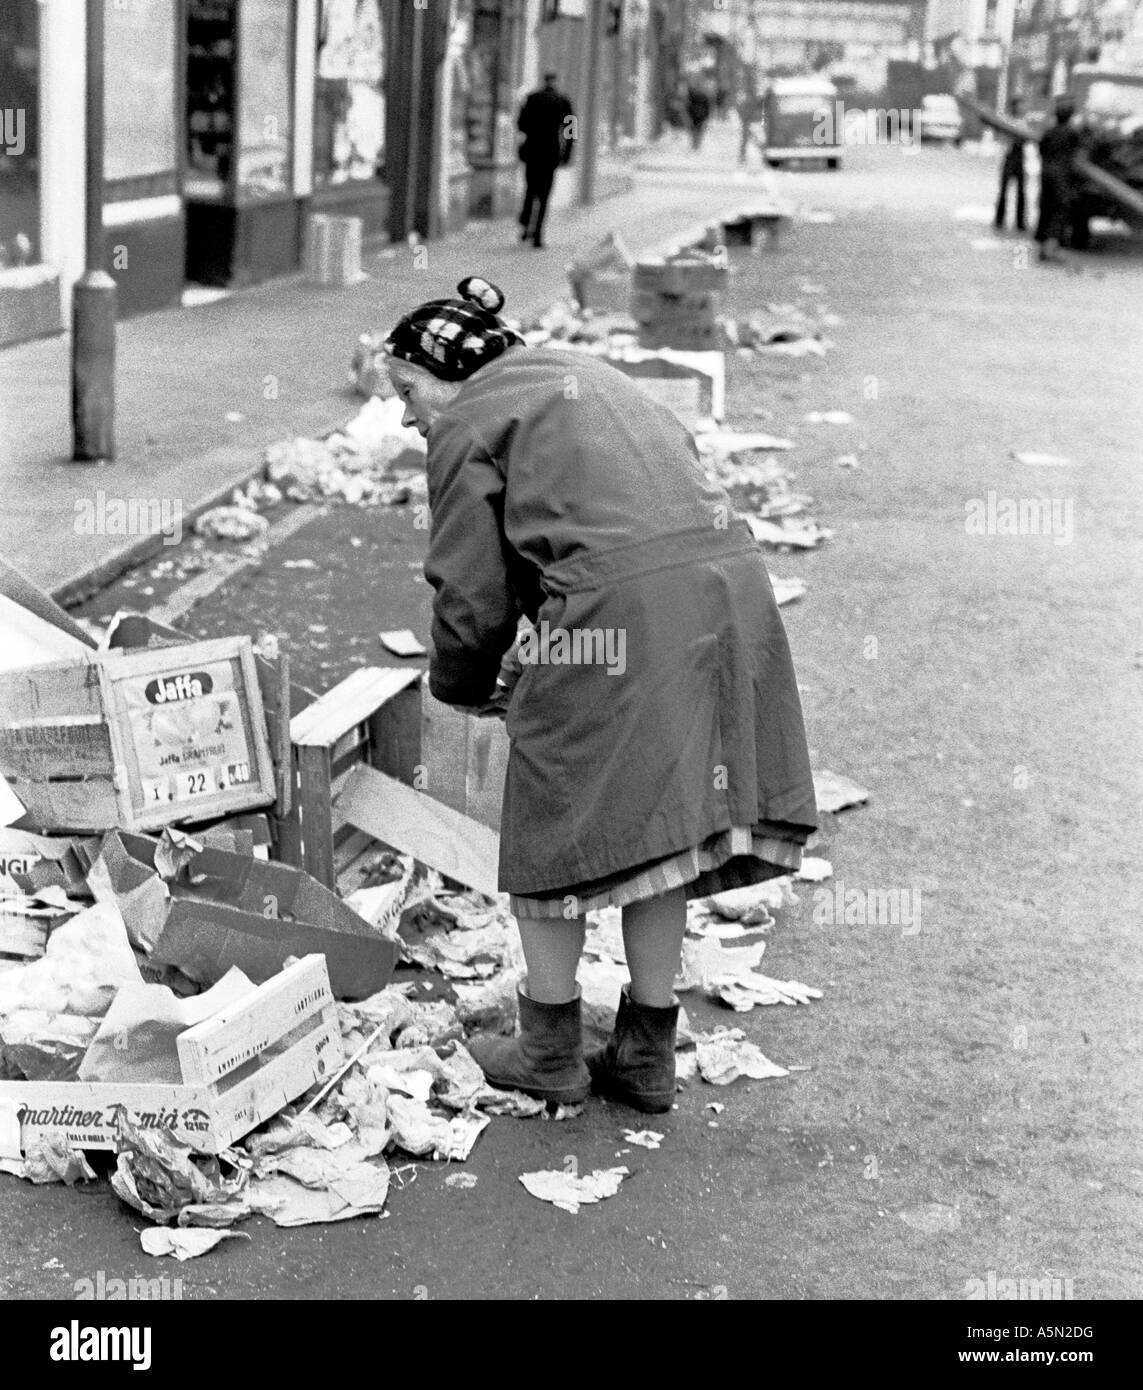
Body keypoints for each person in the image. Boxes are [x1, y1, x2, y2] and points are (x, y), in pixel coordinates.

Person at [382, 276, 818, 1115]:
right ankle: (647, 1052)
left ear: (447, 372)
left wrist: (462, 691)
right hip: (728, 599)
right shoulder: (587, 375)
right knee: (658, 824)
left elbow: (470, 595)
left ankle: (547, 1049)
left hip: (620, 612)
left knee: (554, 818)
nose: (406, 416)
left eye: (406, 391)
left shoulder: (470, 418)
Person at [516, 72, 575, 250]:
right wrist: (567, 153)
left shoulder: (531, 99)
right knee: (544, 194)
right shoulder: (563, 101)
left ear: (543, 81)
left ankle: (526, 223)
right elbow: (571, 129)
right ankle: (538, 235)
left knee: (530, 188)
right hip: (550, 153)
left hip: (532, 151)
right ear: (555, 82)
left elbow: (521, 124)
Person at [1034, 96, 1082, 262]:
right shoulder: (1072, 133)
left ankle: (1043, 247)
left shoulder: (1049, 132)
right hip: (1061, 176)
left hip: (1046, 173)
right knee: (1060, 210)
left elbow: (1041, 151)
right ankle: (1049, 249)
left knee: (1045, 208)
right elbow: (1077, 155)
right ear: (1070, 115)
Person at [993, 97, 1027, 232]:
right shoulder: (1007, 121)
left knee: (1021, 191)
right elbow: (1002, 137)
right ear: (1014, 107)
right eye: (1020, 105)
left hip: (1020, 157)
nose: (1023, 108)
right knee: (1004, 189)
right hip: (1009, 155)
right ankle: (999, 219)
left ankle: (1020, 222)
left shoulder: (1023, 122)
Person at [686, 81, 712, 151]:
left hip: (698, 115)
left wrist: (707, 115)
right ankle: (696, 145)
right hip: (698, 115)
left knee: (696, 130)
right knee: (697, 130)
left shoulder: (694, 95)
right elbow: (708, 106)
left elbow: (707, 106)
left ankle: (695, 144)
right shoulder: (694, 95)